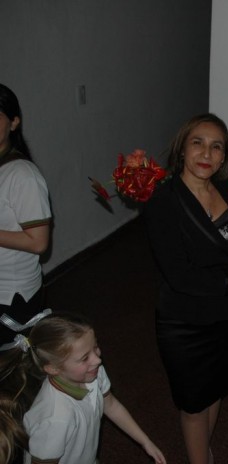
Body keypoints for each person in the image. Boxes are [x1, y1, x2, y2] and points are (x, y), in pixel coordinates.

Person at [143, 113, 228, 464]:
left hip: (227, 318)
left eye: (217, 147)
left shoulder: (225, 190)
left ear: (224, 156)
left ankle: (203, 452)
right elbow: (179, 275)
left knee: (216, 391)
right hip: (186, 323)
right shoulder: (163, 201)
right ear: (182, 148)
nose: (206, 153)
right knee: (194, 405)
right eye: (197, 142)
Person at [0, 311, 165, 464]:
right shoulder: (55, 418)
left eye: (95, 347)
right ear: (53, 368)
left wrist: (145, 441)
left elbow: (111, 406)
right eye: (85, 358)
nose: (97, 360)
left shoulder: (93, 373)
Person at [0, 83, 52, 464]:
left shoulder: (22, 173)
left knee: (13, 397)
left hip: (12, 299)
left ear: (14, 122)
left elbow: (39, 242)